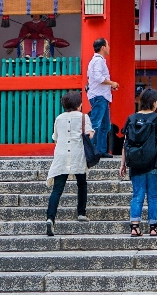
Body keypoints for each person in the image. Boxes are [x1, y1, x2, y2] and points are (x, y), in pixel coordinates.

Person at [119, 88, 157, 236]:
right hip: (154, 162)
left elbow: (126, 143)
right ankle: (153, 228)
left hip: (136, 163)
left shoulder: (131, 118)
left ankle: (135, 227)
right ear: (153, 102)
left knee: (137, 194)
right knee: (153, 196)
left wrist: (122, 163)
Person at [43, 90, 91, 235]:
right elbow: (89, 134)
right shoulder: (84, 117)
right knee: (81, 183)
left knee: (57, 189)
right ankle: (81, 213)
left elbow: (55, 138)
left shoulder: (59, 118)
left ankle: (50, 218)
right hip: (78, 154)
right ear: (79, 104)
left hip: (62, 155)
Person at [83, 38, 115, 157]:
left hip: (101, 96)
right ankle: (88, 151)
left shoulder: (96, 61)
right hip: (99, 96)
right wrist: (112, 83)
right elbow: (98, 78)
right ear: (103, 47)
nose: (109, 48)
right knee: (95, 124)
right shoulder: (98, 61)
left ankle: (101, 150)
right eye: (108, 45)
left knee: (105, 125)